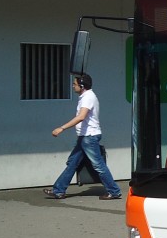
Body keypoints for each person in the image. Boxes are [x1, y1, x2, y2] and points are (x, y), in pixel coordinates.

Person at [44, 72, 122, 200]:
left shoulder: (88, 98)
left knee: (98, 165)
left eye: (74, 84)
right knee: (72, 163)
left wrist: (62, 128)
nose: (72, 86)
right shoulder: (86, 96)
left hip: (89, 137)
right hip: (84, 137)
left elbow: (81, 117)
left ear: (82, 85)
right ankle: (58, 190)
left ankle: (114, 191)